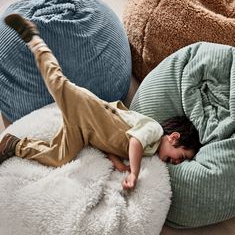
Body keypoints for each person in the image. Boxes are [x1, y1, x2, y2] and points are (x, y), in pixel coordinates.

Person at [0, 14, 201, 190]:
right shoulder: (154, 131)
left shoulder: (148, 152)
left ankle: (14, 145)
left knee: (60, 157)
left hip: (84, 132)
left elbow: (109, 145)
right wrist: (134, 173)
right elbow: (134, 141)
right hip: (88, 110)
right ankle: (34, 40)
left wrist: (121, 167)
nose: (176, 162)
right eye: (180, 156)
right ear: (174, 137)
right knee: (55, 80)